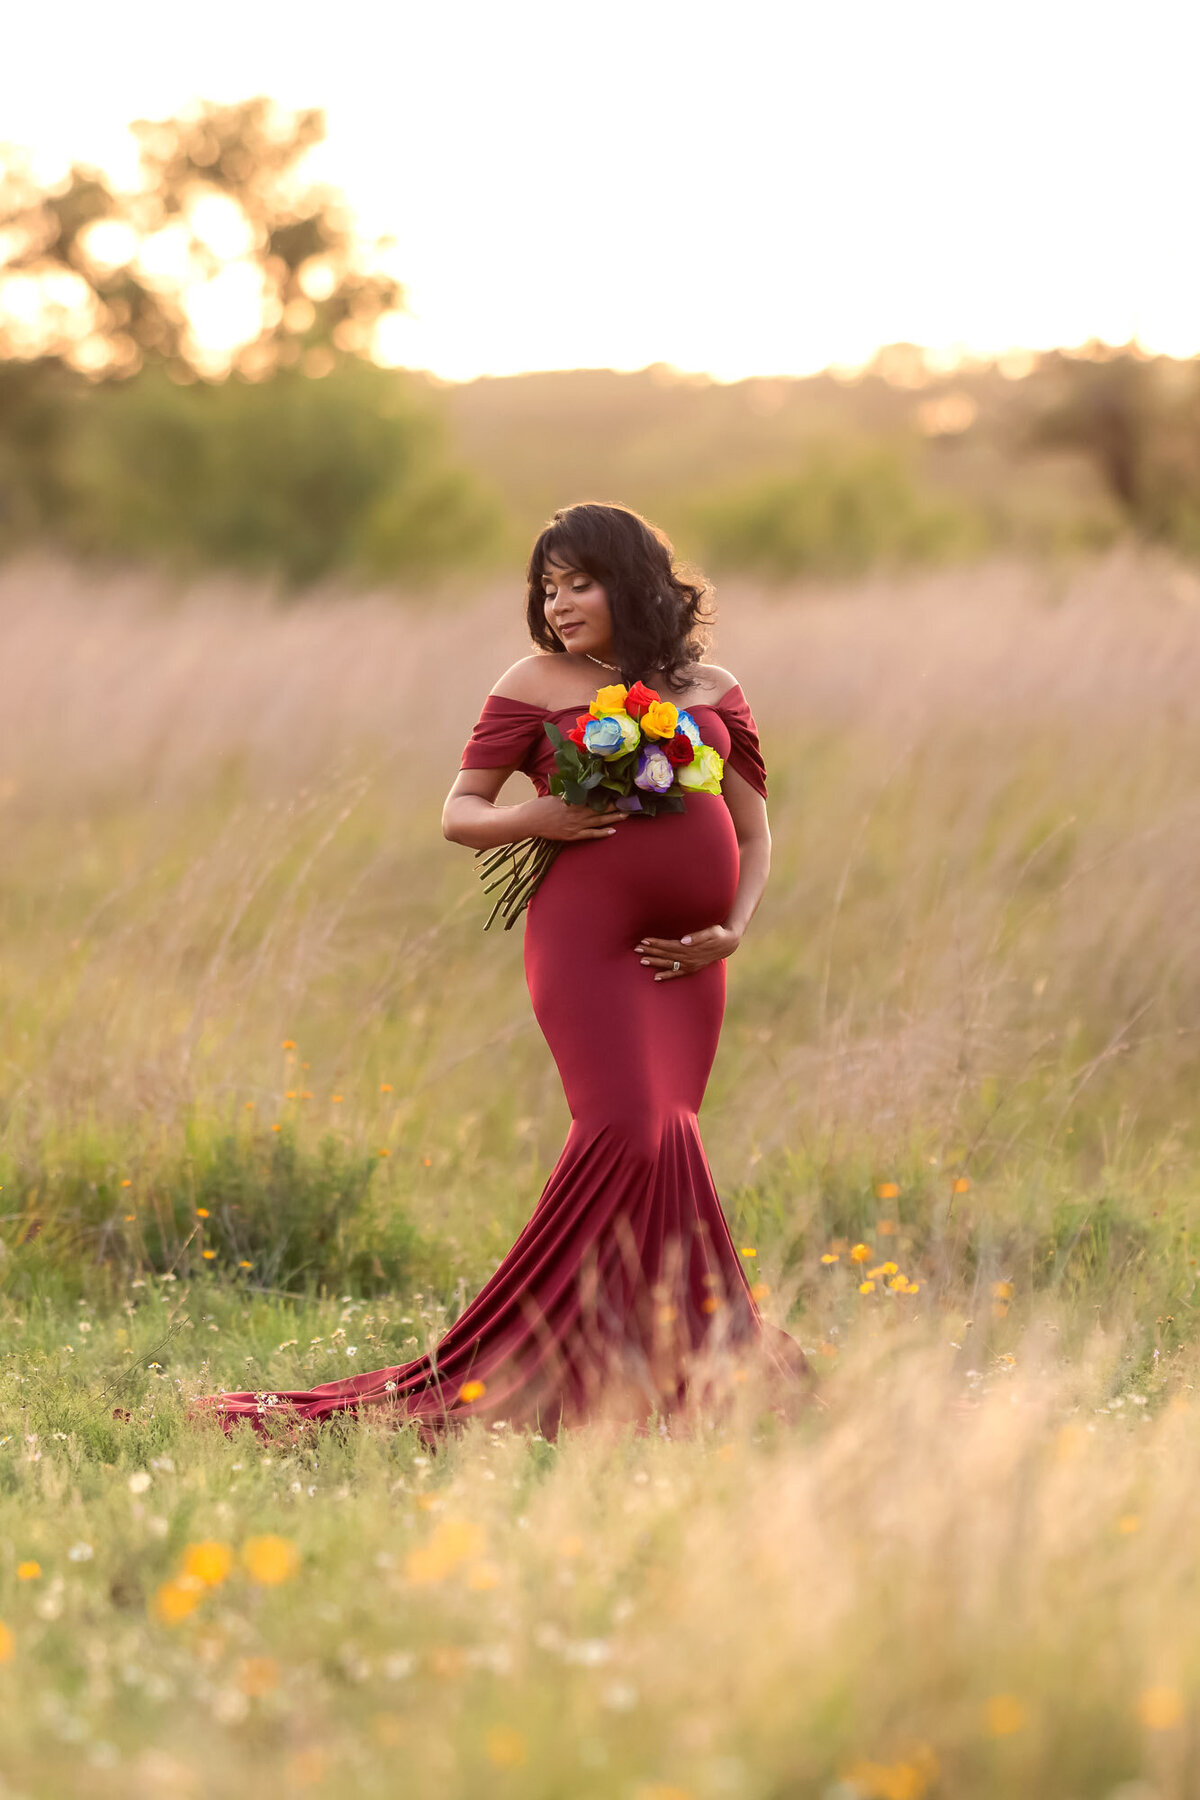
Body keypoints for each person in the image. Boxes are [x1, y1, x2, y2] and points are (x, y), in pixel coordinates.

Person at [190, 502, 814, 1447]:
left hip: (690, 961)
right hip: (588, 943)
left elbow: (757, 829)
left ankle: (665, 1363)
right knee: (630, 1131)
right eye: (548, 587)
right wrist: (542, 821)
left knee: (672, 1135)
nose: (560, 604)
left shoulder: (715, 687)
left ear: (635, 578)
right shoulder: (533, 682)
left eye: (580, 582)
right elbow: (459, 810)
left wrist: (733, 926)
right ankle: (524, 1361)